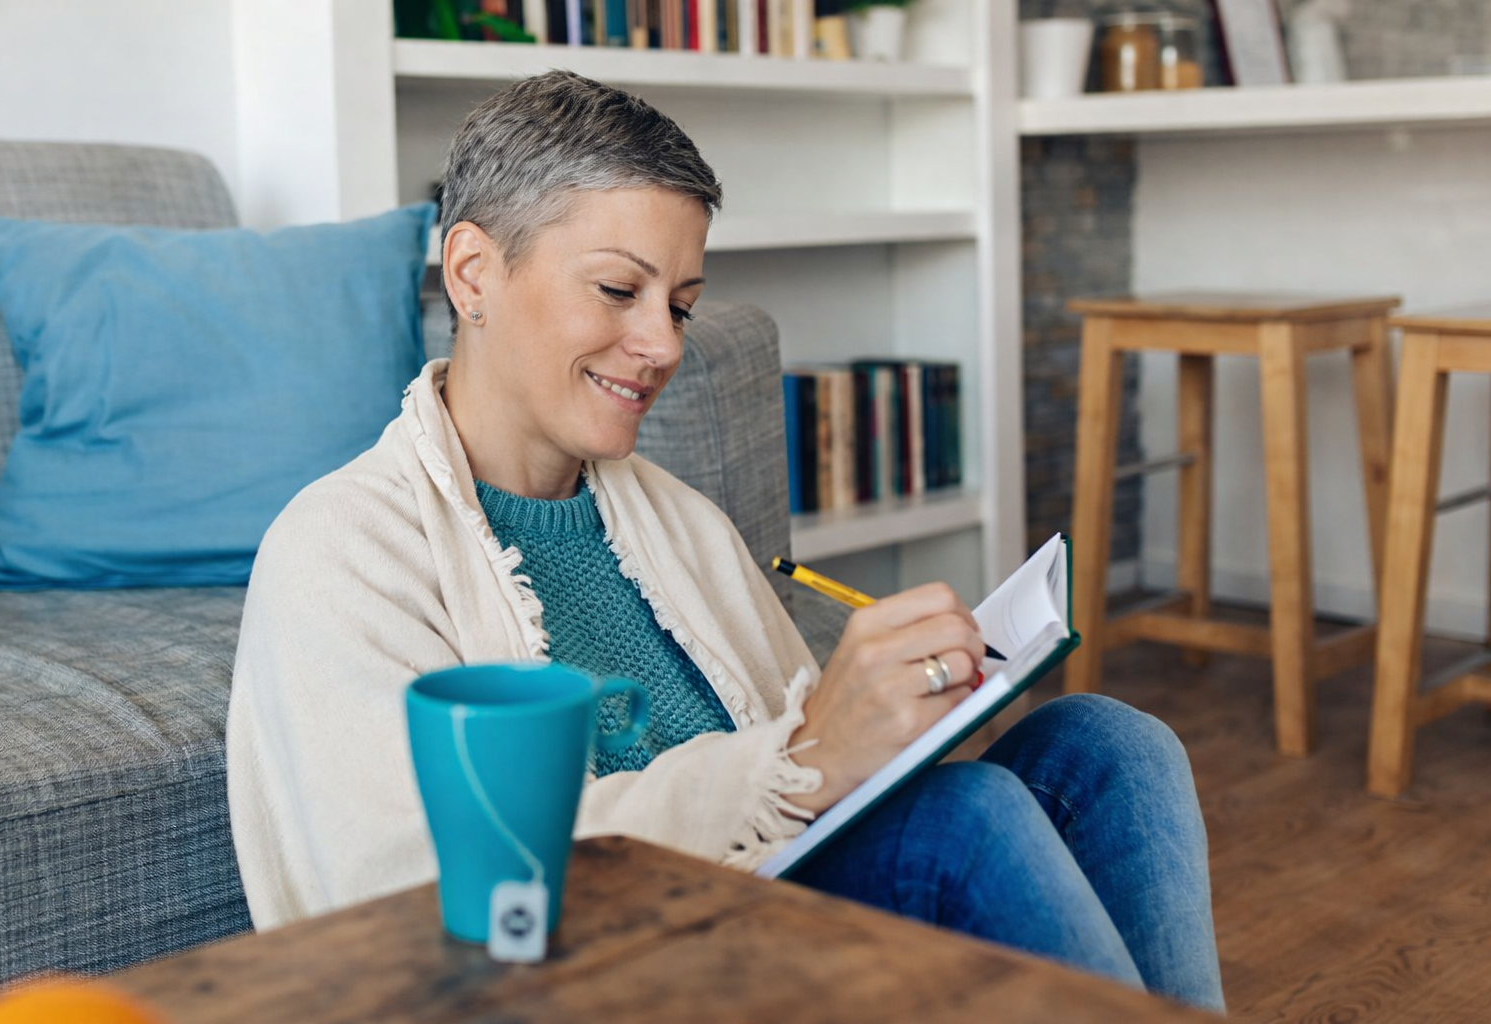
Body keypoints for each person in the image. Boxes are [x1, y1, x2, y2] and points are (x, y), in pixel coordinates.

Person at [225, 70, 1224, 1012]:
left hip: (768, 919)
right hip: (592, 976)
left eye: (682, 304)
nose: (663, 344)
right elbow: (415, 899)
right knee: (966, 825)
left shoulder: (681, 524)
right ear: (474, 271)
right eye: (619, 291)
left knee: (1109, 745)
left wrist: (900, 725)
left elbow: (819, 790)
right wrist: (804, 758)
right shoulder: (341, 549)